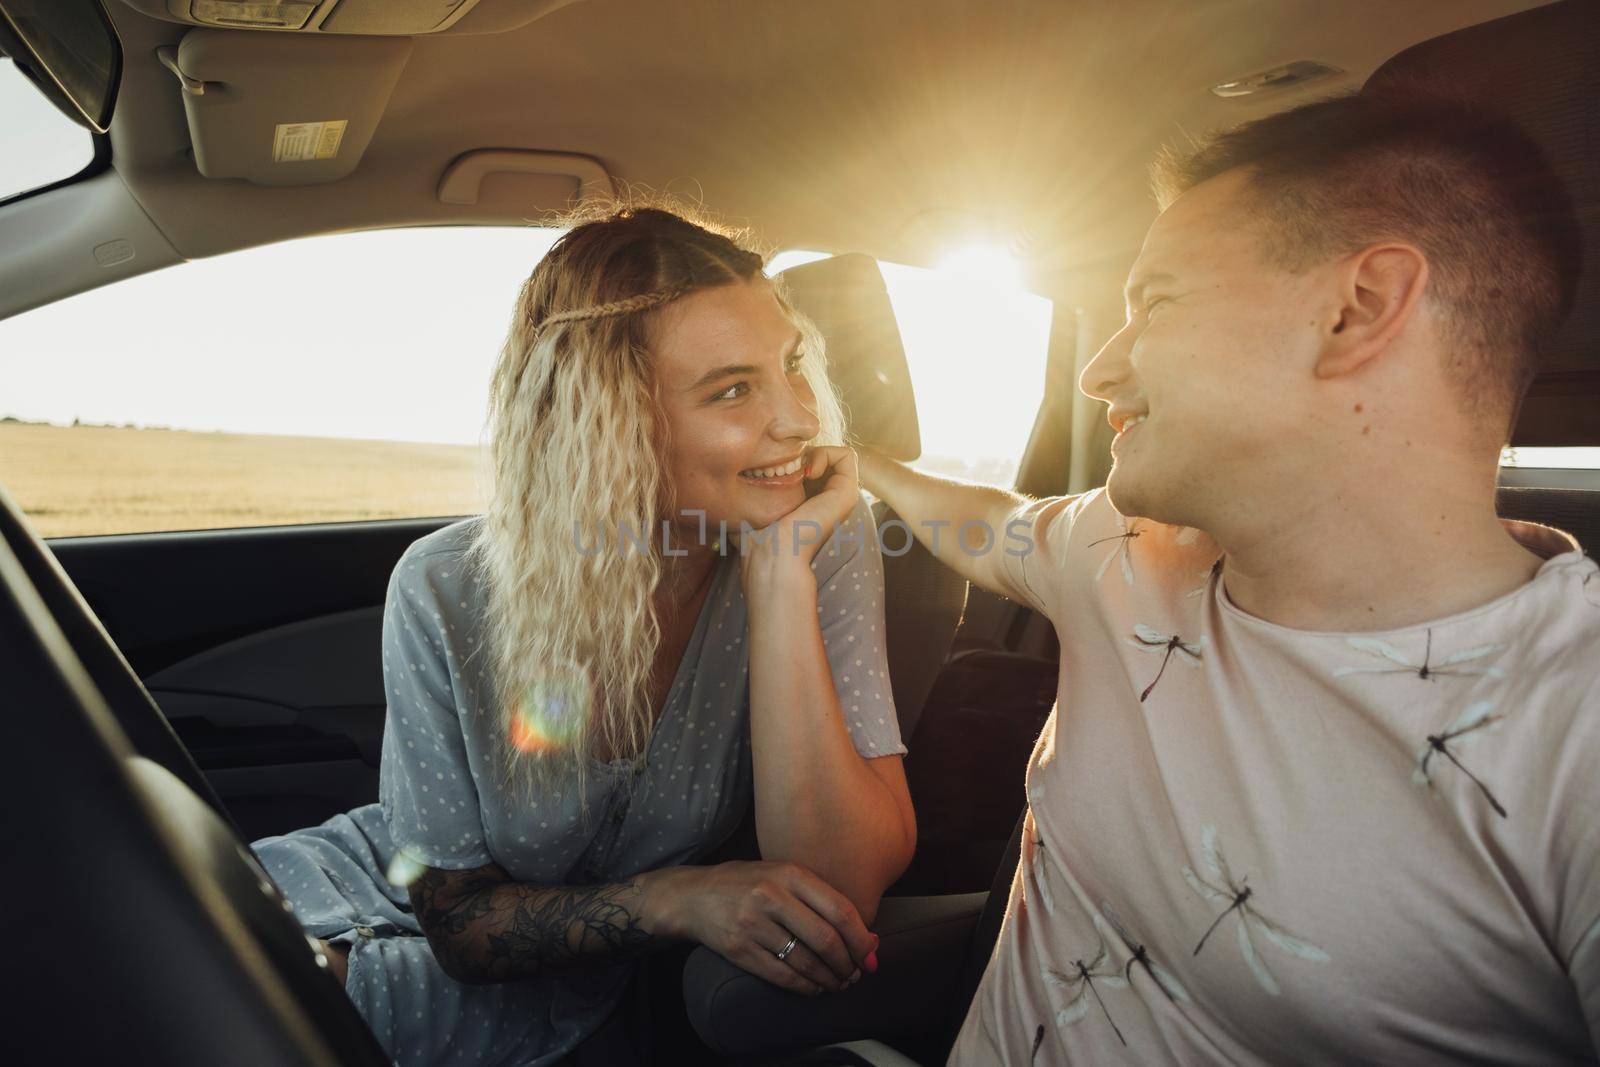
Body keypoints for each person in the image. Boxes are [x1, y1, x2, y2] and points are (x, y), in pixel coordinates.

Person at [860, 89, 1598, 1063]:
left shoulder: (1574, 728)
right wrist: (855, 462)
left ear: (1356, 309)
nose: (1099, 371)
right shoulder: (1123, 551)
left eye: (1155, 302)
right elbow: (986, 525)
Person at [252, 205, 916, 1066]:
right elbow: (457, 919)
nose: (797, 419)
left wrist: (777, 575)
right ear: (611, 422)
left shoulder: (825, 535)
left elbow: (842, 886)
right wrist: (679, 898)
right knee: (170, 950)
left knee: (268, 1013)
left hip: (567, 981)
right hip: (385, 888)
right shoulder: (444, 586)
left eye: (790, 366)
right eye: (733, 389)